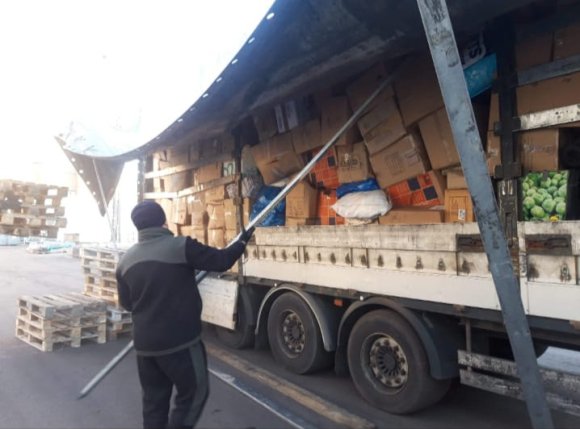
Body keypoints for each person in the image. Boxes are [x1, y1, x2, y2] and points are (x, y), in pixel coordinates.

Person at [116, 200, 254, 429]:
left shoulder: (125, 262)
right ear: (163, 221)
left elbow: (127, 304)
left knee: (154, 404)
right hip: (179, 344)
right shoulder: (180, 247)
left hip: (145, 348)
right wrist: (241, 243)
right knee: (194, 393)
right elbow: (221, 261)